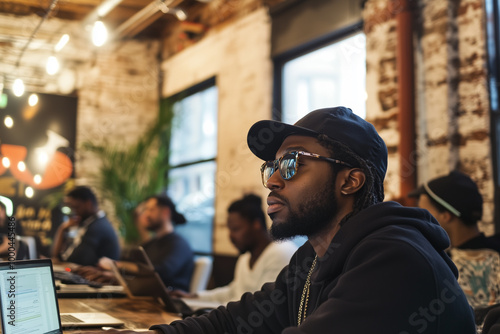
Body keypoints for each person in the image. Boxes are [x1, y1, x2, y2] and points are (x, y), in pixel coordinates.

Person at [84, 107, 475, 334]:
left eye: (292, 164)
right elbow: (237, 321)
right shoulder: (312, 258)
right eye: (273, 165)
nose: (272, 179)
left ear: (350, 180)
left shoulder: (395, 261)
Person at [173, 194, 296, 304]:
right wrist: (194, 297)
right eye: (229, 229)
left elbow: (263, 305)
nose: (230, 236)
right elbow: (233, 292)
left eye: (236, 229)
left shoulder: (281, 252)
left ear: (256, 224)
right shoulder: (245, 257)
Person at [97, 194, 194, 291]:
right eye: (145, 210)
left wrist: (118, 265)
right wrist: (112, 272)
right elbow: (135, 263)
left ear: (165, 212)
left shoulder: (179, 244)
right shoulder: (153, 243)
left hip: (170, 299)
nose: (146, 214)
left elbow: (161, 273)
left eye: (151, 210)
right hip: (147, 294)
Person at [408, 170, 500, 252]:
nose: (420, 221)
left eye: (425, 214)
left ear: (446, 216)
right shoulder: (495, 250)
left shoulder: (443, 265)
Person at [52, 186, 120, 266]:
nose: (75, 212)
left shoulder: (97, 227)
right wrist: (62, 228)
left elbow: (78, 261)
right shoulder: (90, 223)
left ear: (88, 204)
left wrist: (58, 263)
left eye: (76, 207)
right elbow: (58, 255)